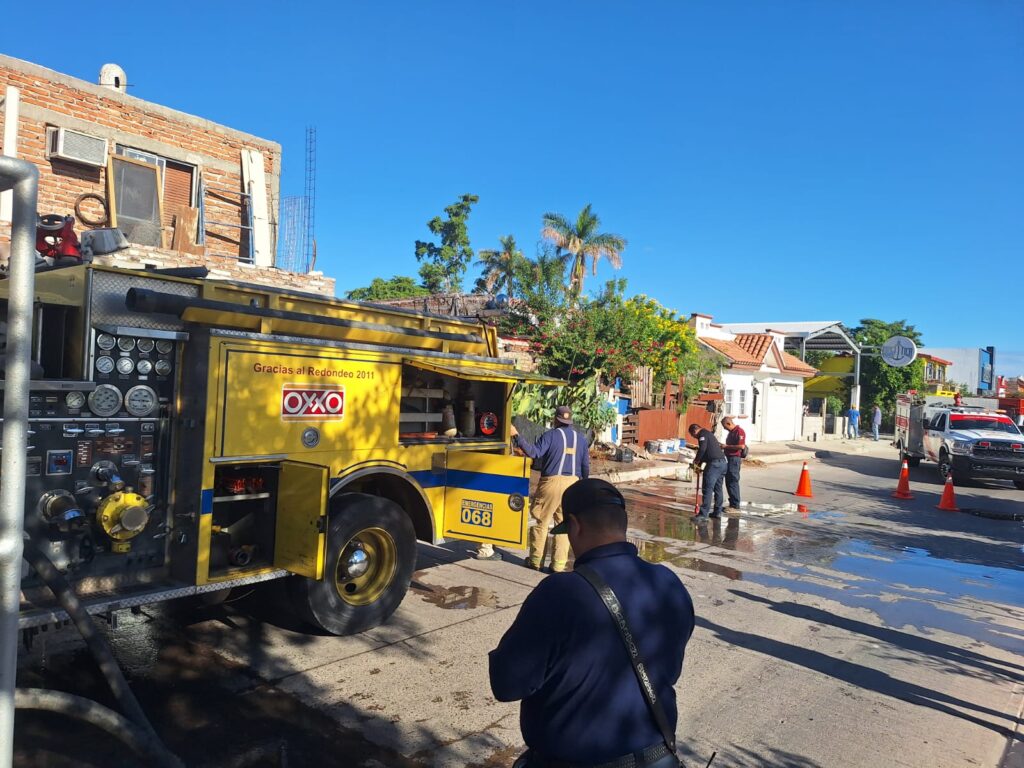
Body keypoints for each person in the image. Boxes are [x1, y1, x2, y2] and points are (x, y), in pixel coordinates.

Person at [489, 479, 694, 768]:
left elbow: (508, 684)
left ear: (574, 525)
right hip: (657, 758)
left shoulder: (559, 593)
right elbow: (670, 669)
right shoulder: (669, 583)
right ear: (621, 524)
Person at [509, 405, 589, 572]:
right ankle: (558, 566)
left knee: (541, 521)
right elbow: (585, 467)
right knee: (564, 524)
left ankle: (536, 561)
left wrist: (516, 435)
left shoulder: (551, 435)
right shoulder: (581, 439)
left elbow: (534, 453)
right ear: (570, 421)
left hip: (551, 483)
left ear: (555, 420)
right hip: (573, 484)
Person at [688, 422, 727, 520]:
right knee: (718, 489)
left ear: (695, 431)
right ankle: (717, 512)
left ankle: (703, 514)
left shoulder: (702, 435)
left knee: (707, 489)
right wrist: (700, 463)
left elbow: (702, 449)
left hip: (714, 465)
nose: (694, 437)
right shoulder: (709, 434)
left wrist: (696, 461)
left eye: (693, 435)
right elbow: (708, 452)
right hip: (722, 463)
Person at [721, 416, 746, 509]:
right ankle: (732, 502)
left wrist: (726, 447)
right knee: (728, 481)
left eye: (724, 426)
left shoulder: (739, 431)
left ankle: (735, 504)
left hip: (734, 459)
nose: (724, 428)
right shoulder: (731, 432)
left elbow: (741, 446)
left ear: (729, 423)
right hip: (729, 458)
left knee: (733, 481)